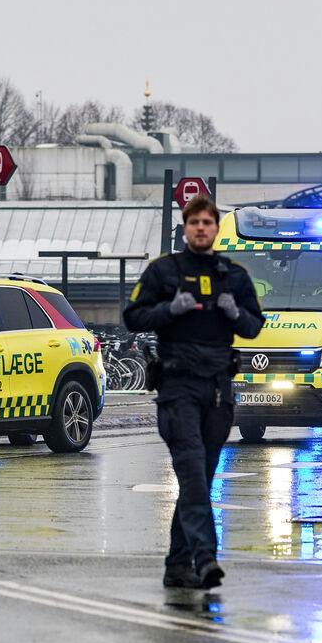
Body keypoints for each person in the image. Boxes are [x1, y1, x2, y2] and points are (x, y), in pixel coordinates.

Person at [124, 196, 265, 592]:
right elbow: (132, 316)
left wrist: (235, 313)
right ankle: (205, 557)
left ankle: (176, 565)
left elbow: (255, 325)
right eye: (194, 222)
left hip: (218, 389)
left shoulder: (232, 276)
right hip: (178, 386)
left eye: (207, 222)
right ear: (185, 228)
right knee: (191, 470)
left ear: (215, 229)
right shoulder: (163, 272)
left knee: (199, 477)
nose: (201, 228)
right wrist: (170, 310)